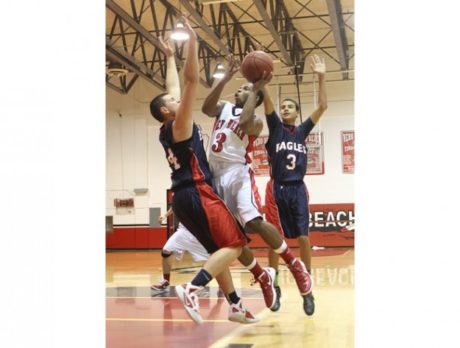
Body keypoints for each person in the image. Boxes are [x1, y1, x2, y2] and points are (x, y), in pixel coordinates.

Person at [149, 19, 257, 325]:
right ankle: (193, 287)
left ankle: (235, 305)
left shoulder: (166, 127)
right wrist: (193, 41)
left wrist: (170, 56)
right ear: (168, 112)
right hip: (198, 192)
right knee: (235, 244)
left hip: (183, 196)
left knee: (217, 249)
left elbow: (172, 89)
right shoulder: (178, 124)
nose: (177, 98)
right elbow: (191, 81)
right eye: (173, 101)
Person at [201, 55, 313, 313]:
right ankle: (262, 275)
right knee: (232, 238)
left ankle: (294, 266)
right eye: (239, 88)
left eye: (244, 89)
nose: (239, 90)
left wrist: (256, 88)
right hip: (215, 177)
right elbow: (207, 108)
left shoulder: (258, 121)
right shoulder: (224, 107)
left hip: (238, 173)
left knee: (253, 221)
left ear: (254, 97)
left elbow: (244, 123)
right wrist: (223, 81)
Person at [261, 54, 328, 315]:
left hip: (298, 188)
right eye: (283, 106)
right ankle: (275, 285)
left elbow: (322, 106)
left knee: (303, 237)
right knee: (274, 240)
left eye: (290, 107)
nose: (285, 109)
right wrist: (263, 79)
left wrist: (321, 76)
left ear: (297, 113)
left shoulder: (301, 131)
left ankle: (306, 286)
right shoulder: (275, 127)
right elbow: (267, 101)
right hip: (277, 189)